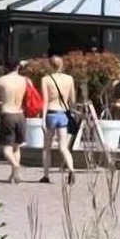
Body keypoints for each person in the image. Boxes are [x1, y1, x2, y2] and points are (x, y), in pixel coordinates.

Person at [40, 55, 77, 185]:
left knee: (47, 147)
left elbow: (45, 100)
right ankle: (71, 169)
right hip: (63, 113)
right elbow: (72, 100)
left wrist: (42, 119)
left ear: (50, 65)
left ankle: (46, 175)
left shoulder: (46, 79)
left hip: (51, 112)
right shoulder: (69, 79)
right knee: (63, 146)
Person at [0, 59, 28, 183]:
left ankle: (15, 165)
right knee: (17, 147)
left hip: (7, 114)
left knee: (7, 148)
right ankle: (14, 175)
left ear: (5, 67)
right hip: (20, 114)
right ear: (18, 66)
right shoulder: (24, 80)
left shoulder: (2, 80)